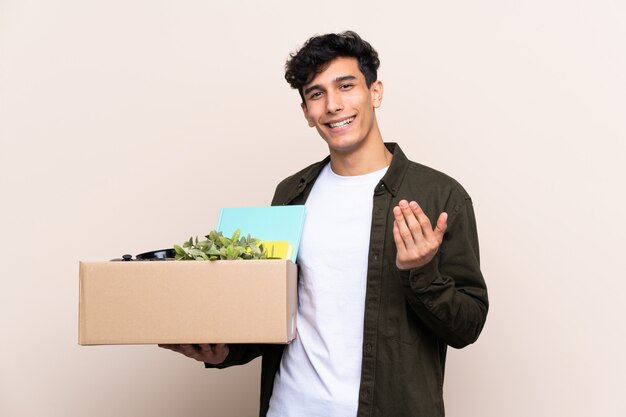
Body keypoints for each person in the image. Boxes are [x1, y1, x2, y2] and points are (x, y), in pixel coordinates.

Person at [160, 31, 489, 417]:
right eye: (316, 94)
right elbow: (273, 311)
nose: (333, 105)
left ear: (375, 92)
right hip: (288, 408)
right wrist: (226, 351)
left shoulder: (439, 196)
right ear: (306, 112)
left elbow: (467, 327)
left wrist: (422, 273)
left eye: (346, 86)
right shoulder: (290, 194)